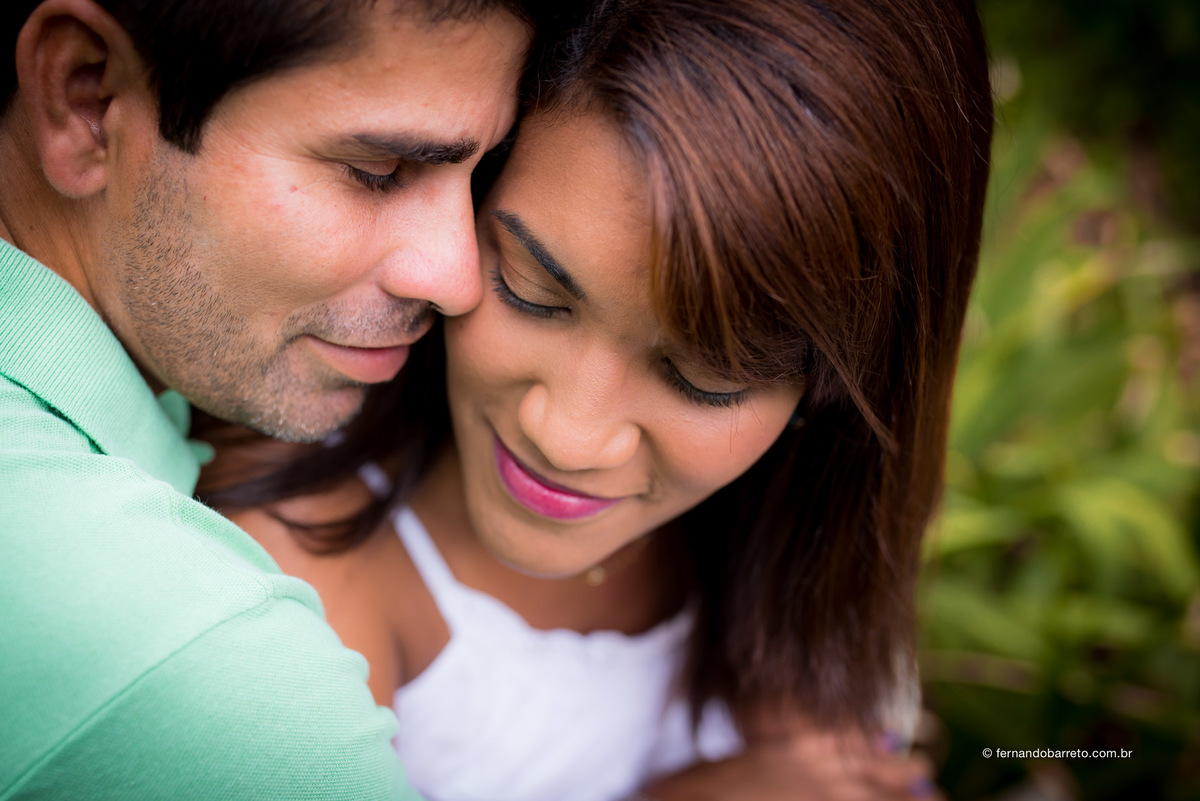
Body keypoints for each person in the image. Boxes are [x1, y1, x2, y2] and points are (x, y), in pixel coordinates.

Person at [199, 0, 994, 799]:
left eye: (704, 379)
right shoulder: (297, 591)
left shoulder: (787, 556)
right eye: (533, 291)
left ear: (834, 384)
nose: (568, 436)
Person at [0, 0, 580, 798]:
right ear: (86, 100)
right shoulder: (192, 658)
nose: (455, 277)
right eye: (377, 172)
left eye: (481, 171)